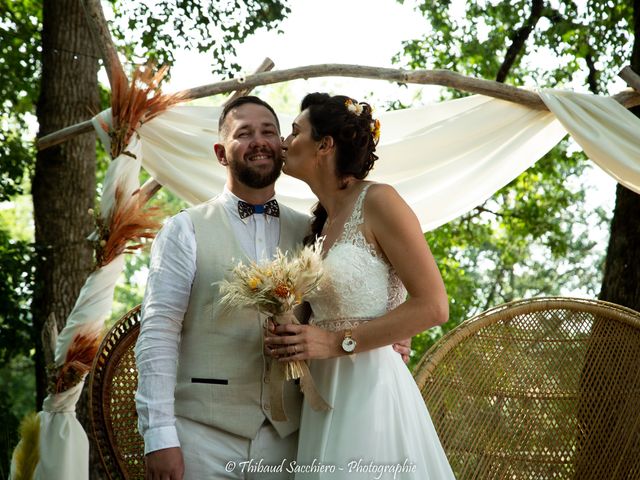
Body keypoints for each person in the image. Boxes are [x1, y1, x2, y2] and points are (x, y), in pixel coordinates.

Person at [134, 95, 411, 480]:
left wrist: (390, 333)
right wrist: (159, 434)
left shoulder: (316, 231)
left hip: (295, 436)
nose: (260, 141)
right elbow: (158, 332)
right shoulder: (184, 230)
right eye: (244, 133)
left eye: (269, 131)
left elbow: (350, 300)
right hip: (203, 435)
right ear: (221, 152)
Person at [265, 93, 456, 479]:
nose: (284, 141)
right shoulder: (316, 225)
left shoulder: (380, 200)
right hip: (323, 395)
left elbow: (434, 305)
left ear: (325, 145)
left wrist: (336, 342)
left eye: (295, 131)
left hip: (371, 392)